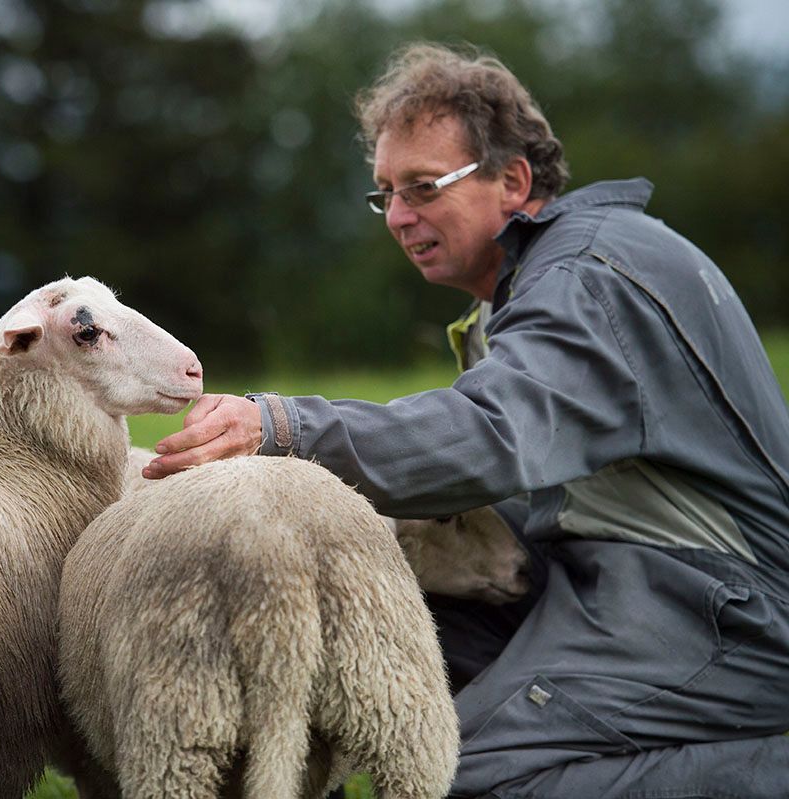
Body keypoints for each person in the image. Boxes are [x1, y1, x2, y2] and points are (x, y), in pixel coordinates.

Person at [142, 42, 789, 798]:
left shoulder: (587, 281)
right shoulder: (522, 288)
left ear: (512, 180)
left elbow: (490, 431)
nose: (398, 216)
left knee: (455, 777)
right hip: (595, 580)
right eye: (384, 191)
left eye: (422, 186)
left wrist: (286, 428)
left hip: (724, 613)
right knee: (352, 649)